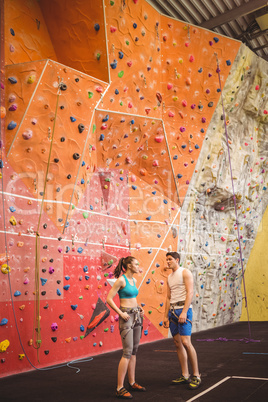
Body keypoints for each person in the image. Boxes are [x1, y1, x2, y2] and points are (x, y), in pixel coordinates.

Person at [107, 256, 146, 399]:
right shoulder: (121, 280)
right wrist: (120, 313)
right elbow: (109, 299)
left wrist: (139, 308)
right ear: (129, 266)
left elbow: (132, 298)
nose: (138, 266)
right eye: (136, 264)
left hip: (136, 316)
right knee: (127, 352)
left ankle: (132, 382)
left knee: (134, 351)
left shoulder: (134, 280)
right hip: (127, 318)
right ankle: (119, 387)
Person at [163, 251, 201, 390]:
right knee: (177, 343)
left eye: (170, 259)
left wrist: (184, 311)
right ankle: (185, 375)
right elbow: (168, 297)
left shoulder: (185, 272)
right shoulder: (169, 277)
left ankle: (196, 375)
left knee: (186, 342)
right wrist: (165, 316)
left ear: (177, 260)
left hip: (183, 310)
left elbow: (190, 292)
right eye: (166, 260)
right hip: (172, 311)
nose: (167, 262)